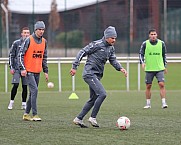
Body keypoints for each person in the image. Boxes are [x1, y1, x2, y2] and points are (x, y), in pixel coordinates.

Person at [70, 26, 127, 128]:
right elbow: (82, 52)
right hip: (89, 73)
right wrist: (75, 66)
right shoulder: (96, 44)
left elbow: (113, 60)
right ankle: (93, 117)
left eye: (115, 38)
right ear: (106, 37)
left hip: (97, 76)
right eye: (112, 38)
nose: (114, 40)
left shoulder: (111, 48)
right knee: (102, 94)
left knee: (93, 98)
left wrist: (120, 68)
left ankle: (78, 118)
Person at [18, 21, 48, 121]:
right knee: (35, 90)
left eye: (43, 29)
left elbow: (44, 57)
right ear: (35, 30)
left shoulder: (44, 41)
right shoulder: (28, 40)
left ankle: (26, 114)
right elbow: (20, 54)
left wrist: (45, 71)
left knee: (32, 93)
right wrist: (22, 68)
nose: (41, 31)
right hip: (28, 71)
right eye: (39, 29)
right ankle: (35, 114)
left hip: (37, 71)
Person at [139, 29, 168, 109]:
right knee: (148, 86)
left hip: (159, 68)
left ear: (157, 35)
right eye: (151, 34)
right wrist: (142, 63)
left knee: (161, 84)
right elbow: (141, 54)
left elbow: (164, 55)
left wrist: (165, 66)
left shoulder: (161, 43)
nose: (153, 36)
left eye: (154, 34)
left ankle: (164, 102)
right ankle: (148, 103)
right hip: (149, 68)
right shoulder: (145, 44)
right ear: (149, 35)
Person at [8, 27, 30, 110]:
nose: (26, 34)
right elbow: (11, 55)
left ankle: (24, 104)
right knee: (16, 85)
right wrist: (11, 67)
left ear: (29, 34)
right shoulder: (16, 43)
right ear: (21, 34)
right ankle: (11, 102)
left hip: (26, 69)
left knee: (25, 86)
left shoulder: (30, 44)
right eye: (24, 33)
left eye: (27, 33)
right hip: (17, 69)